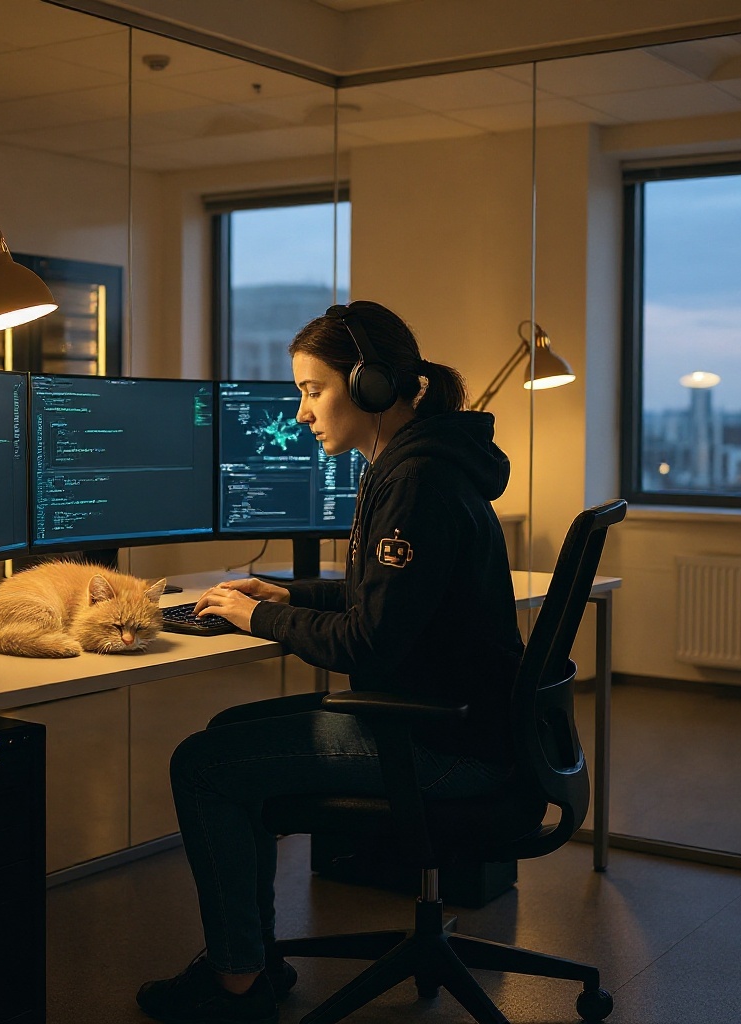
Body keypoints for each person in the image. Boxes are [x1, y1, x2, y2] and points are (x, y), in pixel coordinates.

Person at [136, 300, 524, 1024]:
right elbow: (390, 596)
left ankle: (236, 987)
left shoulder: (416, 482)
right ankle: (252, 962)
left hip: (438, 744)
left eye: (313, 390)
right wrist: (286, 592)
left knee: (202, 764)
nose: (303, 412)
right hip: (460, 725)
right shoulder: (425, 460)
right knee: (225, 732)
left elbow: (367, 642)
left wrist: (260, 617)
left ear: (370, 386)